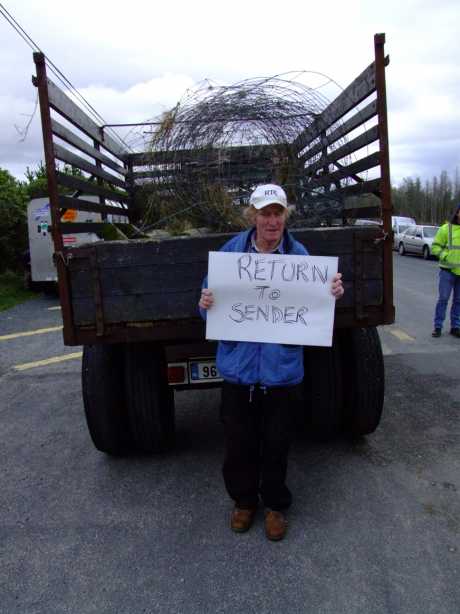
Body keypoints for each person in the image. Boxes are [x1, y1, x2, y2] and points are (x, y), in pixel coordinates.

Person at [198, 183, 344, 541]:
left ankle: (275, 505)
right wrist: (204, 305)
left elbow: (315, 310)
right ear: (253, 216)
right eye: (265, 213)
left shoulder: (301, 259)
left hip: (281, 374)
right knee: (238, 444)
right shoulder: (230, 255)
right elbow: (208, 312)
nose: (272, 220)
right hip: (239, 372)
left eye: (278, 212)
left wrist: (333, 294)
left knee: (277, 444)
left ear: (285, 217)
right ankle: (244, 502)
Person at [431, 203, 460, 338]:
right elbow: (435, 247)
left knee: (458, 301)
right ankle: (438, 327)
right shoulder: (445, 229)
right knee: (443, 299)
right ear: (457, 213)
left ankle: (455, 327)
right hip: (447, 271)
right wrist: (445, 256)